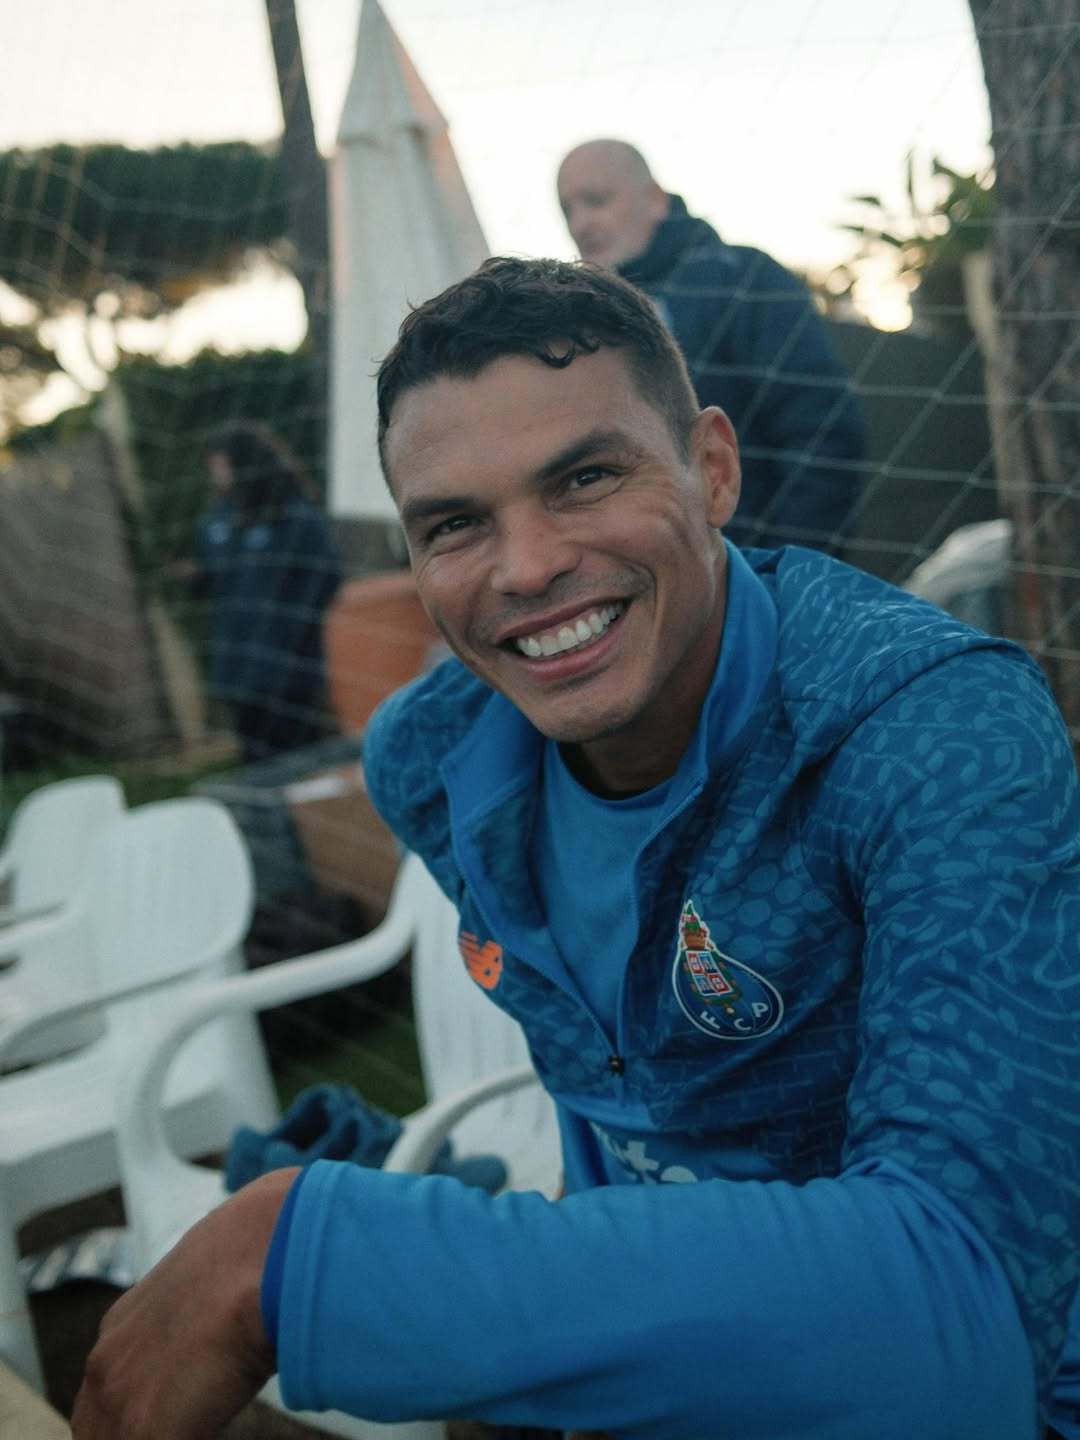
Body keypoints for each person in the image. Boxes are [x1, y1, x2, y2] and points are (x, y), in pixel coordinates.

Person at [72, 258, 1080, 1440]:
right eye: (455, 523)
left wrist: (296, 1255)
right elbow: (608, 1096)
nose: (527, 566)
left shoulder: (937, 733)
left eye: (586, 477)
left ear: (712, 468)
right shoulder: (429, 757)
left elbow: (969, 1314)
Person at [556, 138, 867, 553]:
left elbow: (821, 428)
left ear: (655, 199)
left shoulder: (744, 279)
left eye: (596, 200)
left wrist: (784, 565)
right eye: (567, 210)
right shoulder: (579, 324)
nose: (580, 224)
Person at [190, 420, 343, 762]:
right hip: (238, 671)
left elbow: (326, 578)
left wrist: (290, 634)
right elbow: (217, 578)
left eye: (219, 462)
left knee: (301, 759)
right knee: (256, 760)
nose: (214, 472)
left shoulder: (295, 516)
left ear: (243, 462)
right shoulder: (217, 521)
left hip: (289, 672)